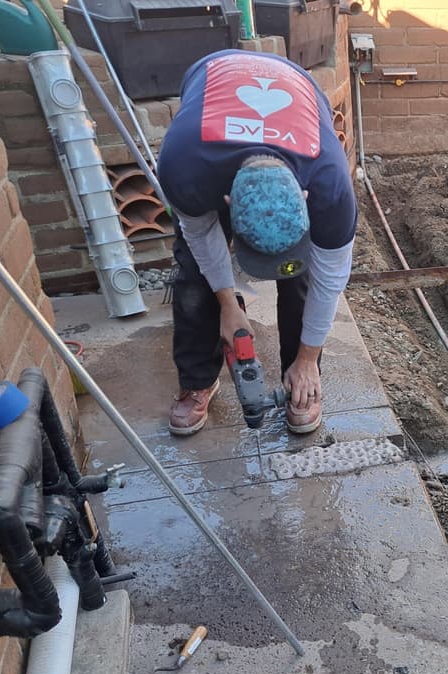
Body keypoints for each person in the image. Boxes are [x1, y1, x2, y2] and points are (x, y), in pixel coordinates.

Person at [157, 49, 357, 436]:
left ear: (305, 198)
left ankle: (299, 376)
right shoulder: (185, 166)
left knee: (300, 274)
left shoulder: (329, 184)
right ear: (226, 204)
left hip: (294, 85)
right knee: (195, 276)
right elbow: (202, 236)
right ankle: (199, 379)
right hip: (213, 72)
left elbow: (329, 278)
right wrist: (228, 307)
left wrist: (309, 356)